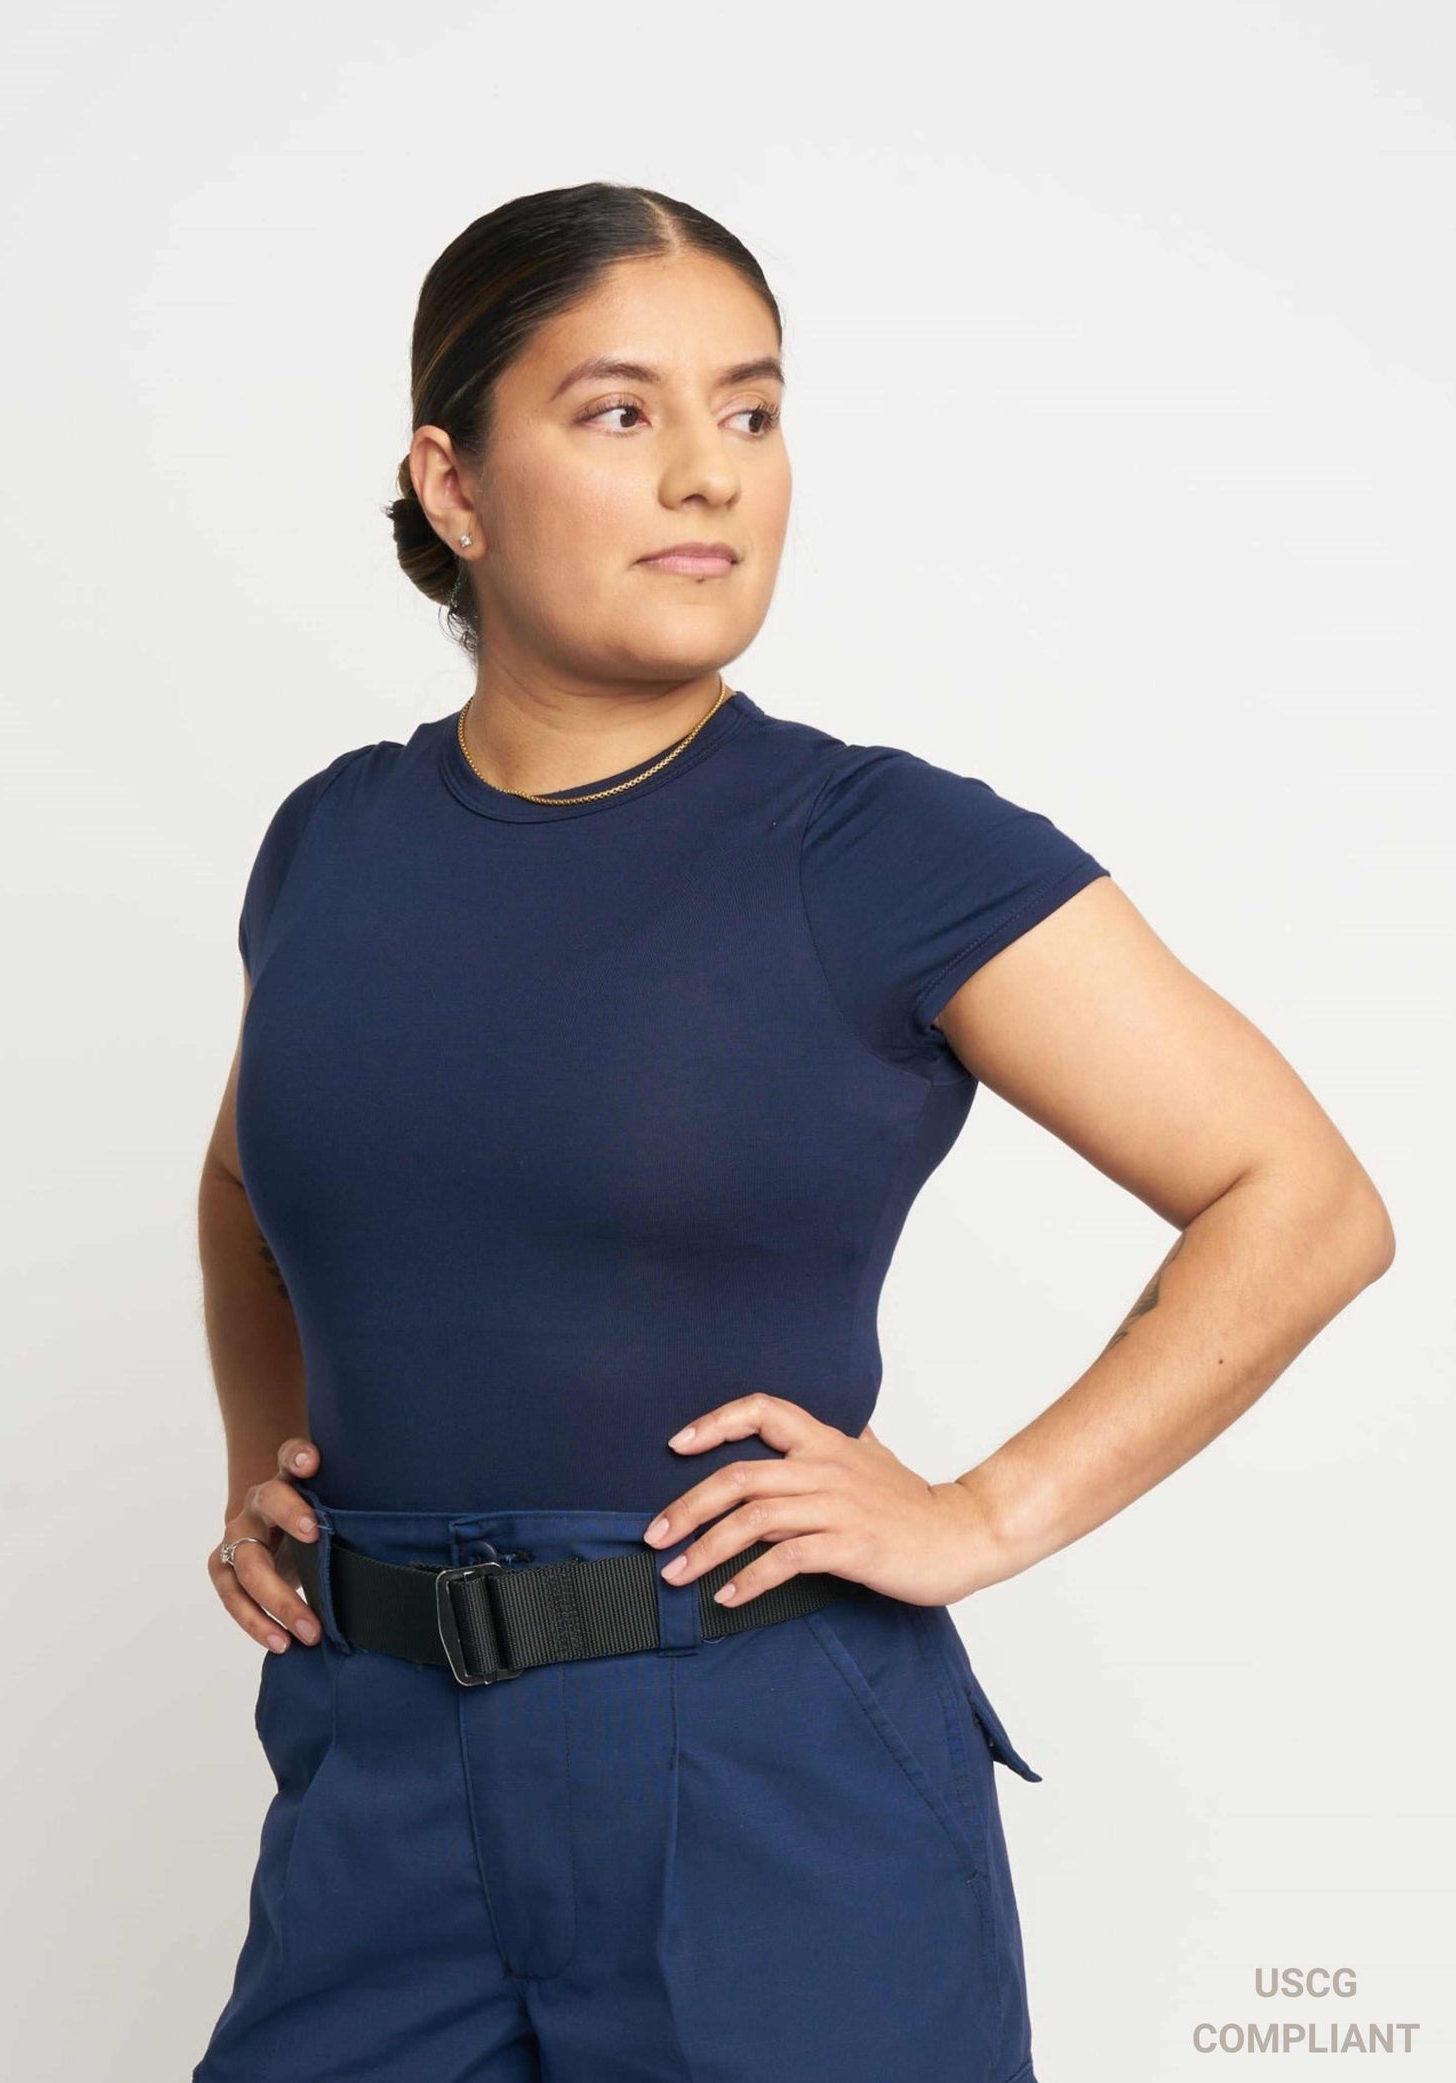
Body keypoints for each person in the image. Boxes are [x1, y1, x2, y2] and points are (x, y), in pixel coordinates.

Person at [192, 182, 1395, 2083]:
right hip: (375, 1778)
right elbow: (250, 1183)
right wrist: (265, 1455)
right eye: (620, 411)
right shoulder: (330, 841)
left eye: (750, 411)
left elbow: (1304, 1201)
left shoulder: (883, 848)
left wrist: (985, 1515)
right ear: (454, 482)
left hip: (765, 1776)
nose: (711, 474)